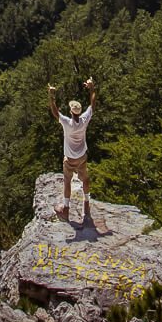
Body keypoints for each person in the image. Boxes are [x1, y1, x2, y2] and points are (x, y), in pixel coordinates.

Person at [47, 76, 96, 221]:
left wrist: (52, 96)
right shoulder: (84, 120)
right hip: (82, 157)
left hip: (69, 159)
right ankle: (86, 204)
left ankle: (66, 209)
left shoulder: (67, 123)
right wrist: (92, 88)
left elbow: (55, 113)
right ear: (79, 112)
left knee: (67, 181)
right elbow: (93, 104)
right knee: (85, 179)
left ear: (71, 111)